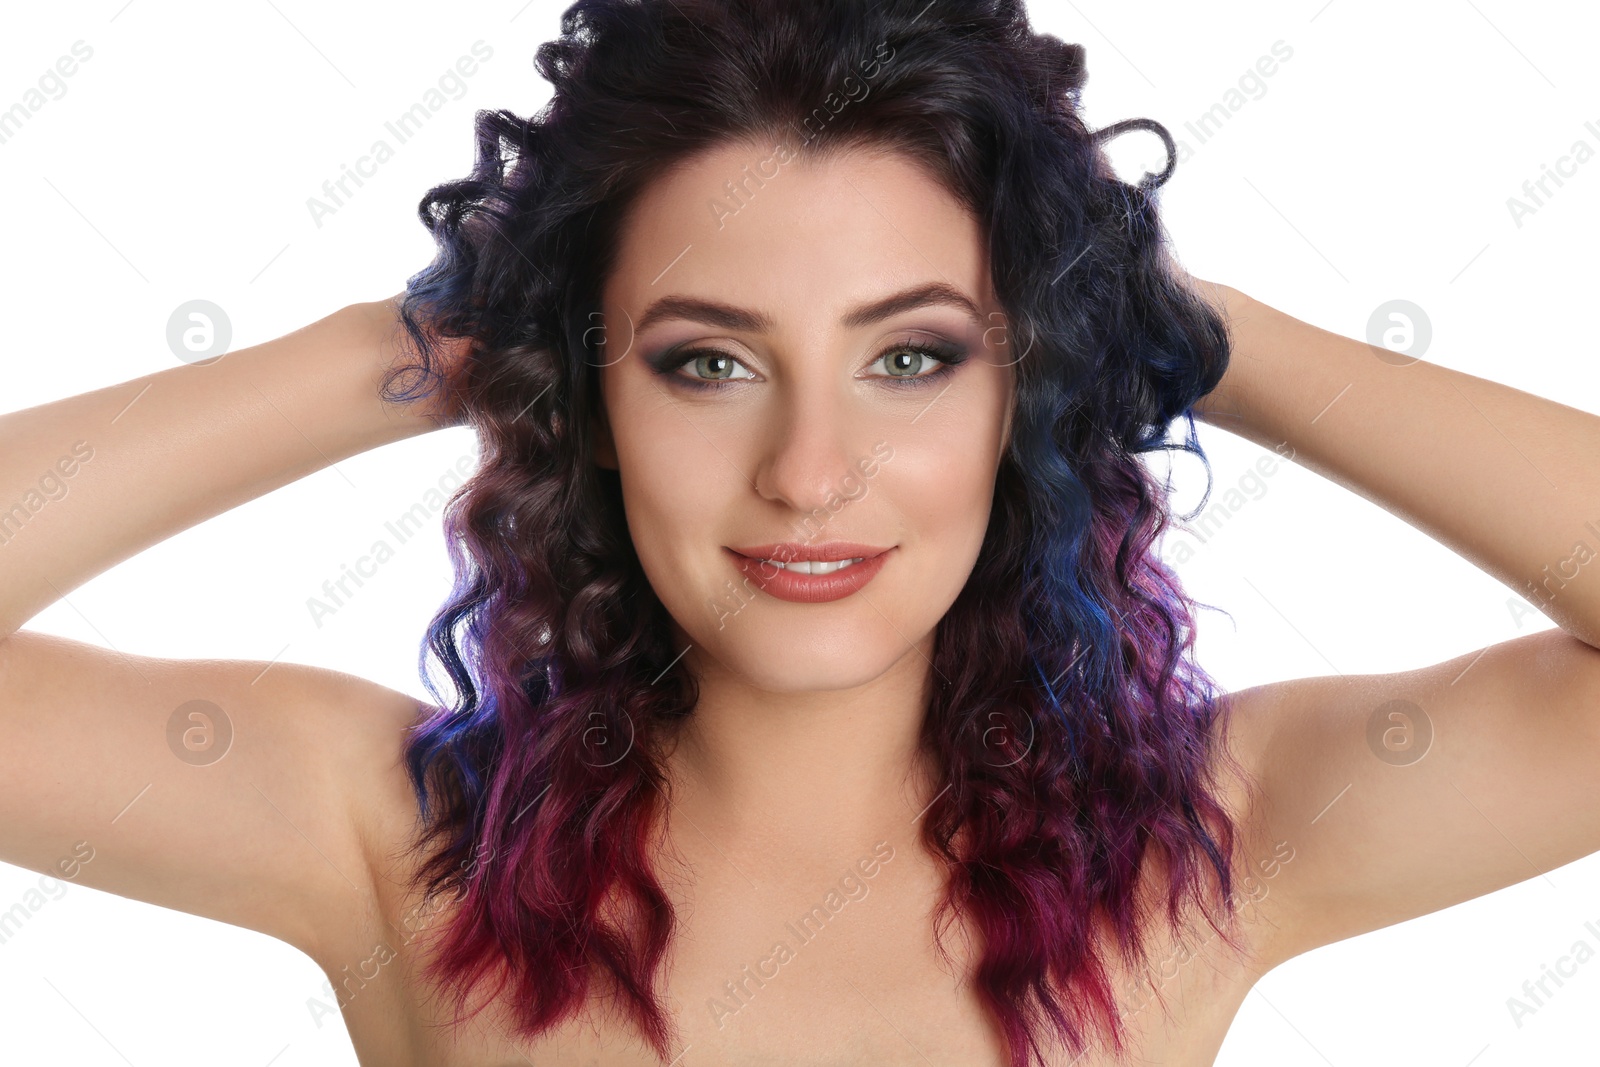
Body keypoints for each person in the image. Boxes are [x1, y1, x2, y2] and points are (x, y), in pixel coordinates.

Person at [4, 1, 1599, 1064]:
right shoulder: (391, 839)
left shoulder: (1214, 845)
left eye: (912, 357)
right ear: (589, 399)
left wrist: (1194, 332)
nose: (811, 471)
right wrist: (411, 351)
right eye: (710, 361)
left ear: (1024, 388)